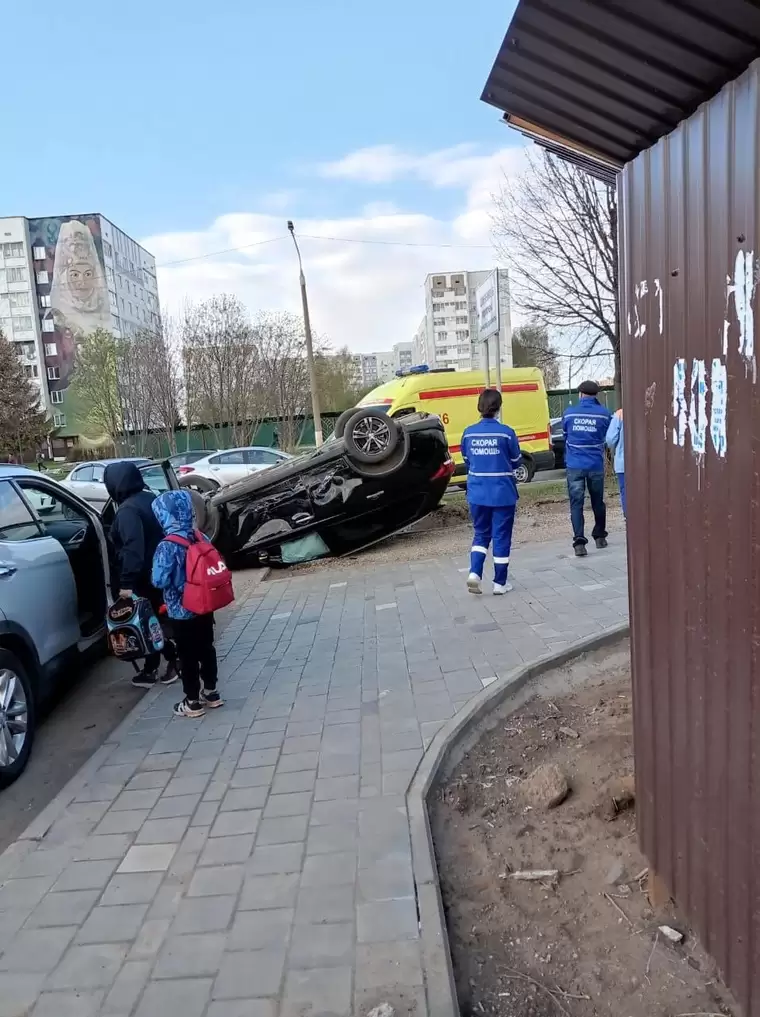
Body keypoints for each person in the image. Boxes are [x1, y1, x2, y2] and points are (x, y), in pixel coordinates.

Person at [103, 462, 179, 688]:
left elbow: (133, 549)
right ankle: (152, 666)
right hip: (163, 569)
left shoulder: (127, 511)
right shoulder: (151, 498)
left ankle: (172, 660)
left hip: (143, 576)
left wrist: (126, 583)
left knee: (148, 622)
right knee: (157, 618)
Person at [151, 490, 222, 718]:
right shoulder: (200, 536)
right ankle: (211, 693)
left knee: (187, 655)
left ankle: (192, 702)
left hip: (181, 611)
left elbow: (159, 580)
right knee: (207, 648)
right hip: (205, 605)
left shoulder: (167, 546)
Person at [462, 388, 522, 595]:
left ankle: (474, 573)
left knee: (480, 534)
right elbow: (516, 461)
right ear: (499, 407)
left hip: (477, 493)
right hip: (502, 493)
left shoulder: (468, 433)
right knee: (501, 536)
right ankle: (499, 583)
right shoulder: (506, 433)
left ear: (479, 406)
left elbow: (467, 460)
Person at [562, 380, 613, 557]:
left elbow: (566, 435)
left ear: (581, 394)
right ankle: (599, 537)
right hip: (595, 465)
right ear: (596, 395)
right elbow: (608, 438)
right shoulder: (604, 414)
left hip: (574, 465)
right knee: (597, 502)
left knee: (576, 504)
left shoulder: (569, 414)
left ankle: (579, 543)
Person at [606, 408, 625, 517]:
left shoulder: (620, 414)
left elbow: (610, 439)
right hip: (646, 464)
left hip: (623, 463)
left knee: (626, 492)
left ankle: (628, 517)